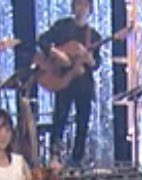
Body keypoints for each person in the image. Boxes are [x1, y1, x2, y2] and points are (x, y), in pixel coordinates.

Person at [37, 0, 103, 164]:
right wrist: (57, 54)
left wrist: (90, 60)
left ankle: (77, 160)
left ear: (90, 9)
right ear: (73, 7)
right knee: (60, 118)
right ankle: (55, 157)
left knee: (83, 123)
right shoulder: (62, 27)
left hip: (83, 85)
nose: (82, 9)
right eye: (79, 4)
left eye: (85, 6)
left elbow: (96, 64)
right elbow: (43, 40)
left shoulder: (94, 35)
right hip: (63, 81)